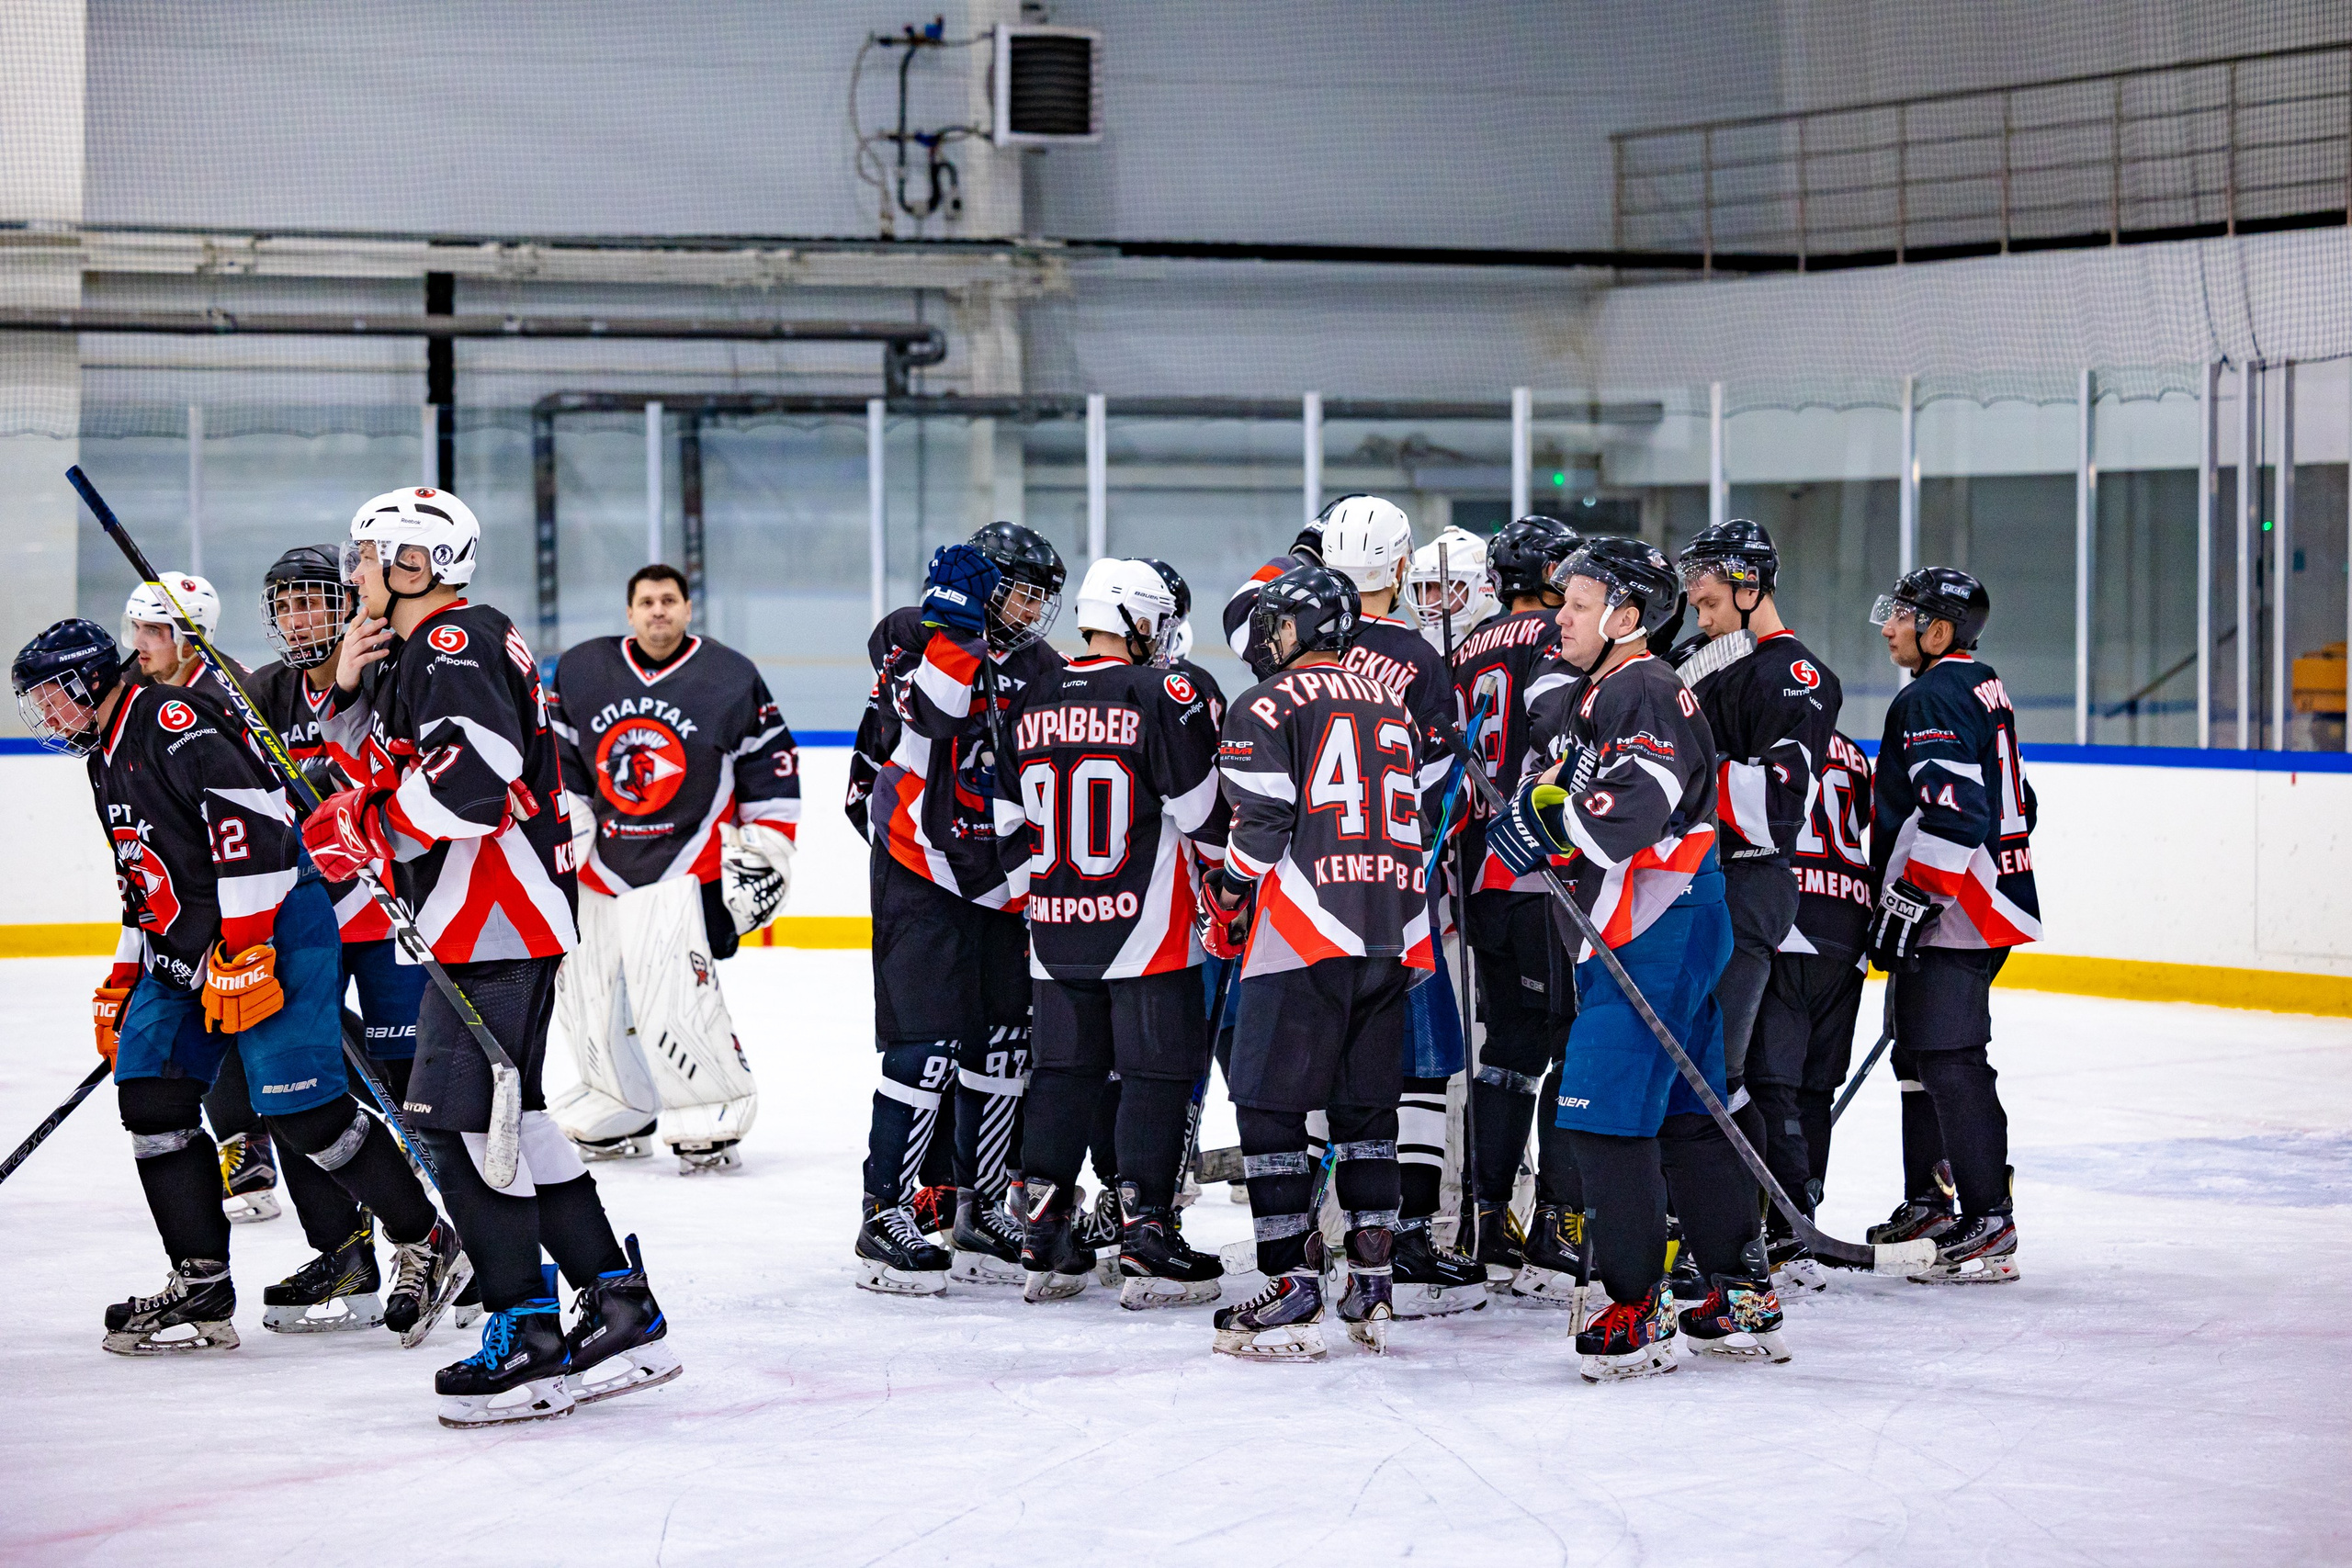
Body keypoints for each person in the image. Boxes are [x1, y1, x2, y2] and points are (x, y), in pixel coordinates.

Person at [308, 486, 676, 1427]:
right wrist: (341, 695)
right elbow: (379, 763)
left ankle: (528, 1336)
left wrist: (374, 825)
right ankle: (619, 1303)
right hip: (492, 921)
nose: (355, 573)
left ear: (414, 565)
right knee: (522, 1122)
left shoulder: (451, 642)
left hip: (494, 923)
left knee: (460, 1129)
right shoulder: (423, 649)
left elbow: (475, 783)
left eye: (367, 556)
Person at [12, 617, 459, 1358]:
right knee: (150, 1094)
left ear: (95, 678)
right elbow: (142, 874)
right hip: (189, 950)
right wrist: (127, 969)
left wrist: (248, 947)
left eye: (57, 696)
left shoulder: (171, 718)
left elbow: (254, 826)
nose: (51, 716)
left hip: (275, 921)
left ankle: (426, 1237)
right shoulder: (104, 754)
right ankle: (202, 1281)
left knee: (302, 1108)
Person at [1483, 537, 1784, 1382]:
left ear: (1626, 616)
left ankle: (1635, 1300)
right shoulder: (1608, 692)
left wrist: (1547, 823)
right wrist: (1538, 812)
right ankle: (1738, 1291)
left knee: (1599, 1110)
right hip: (1660, 921)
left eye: (1578, 604)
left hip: (1659, 922)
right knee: (1689, 1111)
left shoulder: (1645, 686)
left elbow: (1631, 809)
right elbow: (1577, 796)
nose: (1561, 617)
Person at [1206, 565, 1432, 1360]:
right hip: (1394, 926)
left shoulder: (1263, 703)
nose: (1266, 641)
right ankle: (1371, 1275)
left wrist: (1227, 889)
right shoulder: (1390, 701)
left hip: (1307, 926)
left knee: (1267, 1106)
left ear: (1299, 628)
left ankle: (1292, 1283)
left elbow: (1262, 825)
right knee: (1365, 1107)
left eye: (1275, 625)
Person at [1007, 558, 1229, 1307]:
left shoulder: (1034, 690)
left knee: (1065, 1074)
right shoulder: (1158, 691)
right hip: (1146, 925)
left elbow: (1010, 819)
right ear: (1138, 621)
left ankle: (1042, 1232)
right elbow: (1204, 817)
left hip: (1055, 924)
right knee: (1155, 1075)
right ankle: (1145, 1236)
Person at [243, 544, 453, 1333]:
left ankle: (444, 1245)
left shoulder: (397, 671)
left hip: (391, 912)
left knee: (418, 1092)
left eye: (314, 600)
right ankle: (343, 1247)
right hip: (305, 922)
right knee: (297, 1085)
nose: (300, 617)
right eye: (286, 604)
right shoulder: (259, 693)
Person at [854, 522, 1068, 1292]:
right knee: (927, 1049)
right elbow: (935, 713)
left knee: (1006, 1044)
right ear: (982, 584)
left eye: (1045, 596)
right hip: (920, 868)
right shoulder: (913, 634)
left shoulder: (1045, 667)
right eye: (1023, 591)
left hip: (1003, 878)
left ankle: (978, 1210)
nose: (1035, 608)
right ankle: (885, 1211)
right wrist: (955, 621)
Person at [547, 564, 800, 1174]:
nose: (658, 611)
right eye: (646, 602)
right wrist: (568, 820)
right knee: (588, 998)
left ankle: (711, 1105)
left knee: (676, 998)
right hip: (599, 867)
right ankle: (618, 1100)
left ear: (688, 609)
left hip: (686, 865)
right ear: (629, 612)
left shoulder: (730, 676)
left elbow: (772, 761)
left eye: (669, 600)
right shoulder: (582, 670)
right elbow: (557, 755)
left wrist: (767, 844)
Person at [1318, 497, 1489, 1316]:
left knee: (1325, 1053)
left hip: (1311, 889)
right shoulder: (1422, 659)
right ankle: (1408, 1229)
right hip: (1399, 885)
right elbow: (1437, 784)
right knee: (1421, 1060)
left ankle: (1320, 1225)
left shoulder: (1306, 640)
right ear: (1397, 568)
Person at [1863, 567, 2041, 1285]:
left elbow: (1955, 810)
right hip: (1979, 900)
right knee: (1917, 1055)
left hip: (1955, 909)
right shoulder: (1980, 683)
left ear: (1939, 631)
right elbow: (2019, 795)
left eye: (1902, 616)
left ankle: (1988, 1217)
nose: (1888, 627)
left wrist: (1913, 897)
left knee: (1949, 1058)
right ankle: (1931, 1202)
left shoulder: (1932, 693)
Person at [1670, 518, 1841, 1249]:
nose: (1700, 618)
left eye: (1710, 603)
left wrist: (1670, 782)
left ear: (1749, 589)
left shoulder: (1794, 674)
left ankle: (1740, 1238)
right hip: (1689, 888)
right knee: (1696, 1061)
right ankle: (1717, 1220)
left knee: (1719, 1068)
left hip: (1746, 887)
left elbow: (1774, 807)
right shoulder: (1706, 659)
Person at [1449, 515, 1586, 1301]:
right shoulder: (1553, 635)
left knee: (1505, 1050)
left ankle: (1488, 1213)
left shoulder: (1467, 643)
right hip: (1541, 876)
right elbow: (1559, 734)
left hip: (1479, 877)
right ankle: (1558, 1223)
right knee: (1569, 1043)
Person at [120, 571, 284, 1225]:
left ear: (192, 639)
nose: (140, 643)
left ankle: (383, 1103)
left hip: (259, 884)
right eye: (135, 628)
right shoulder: (146, 693)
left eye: (155, 630)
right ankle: (244, 1143)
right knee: (222, 1017)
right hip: (195, 891)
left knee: (272, 1020)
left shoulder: (226, 692)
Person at [1750, 728, 1872, 1292]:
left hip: (1791, 917)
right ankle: (1805, 1219)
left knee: (1773, 1084)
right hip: (1850, 924)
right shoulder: (1851, 749)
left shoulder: (1774, 739)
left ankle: (1788, 1229)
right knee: (1814, 1089)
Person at [1405, 525, 1499, 653]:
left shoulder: (1503, 648)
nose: (1431, 600)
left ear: (1482, 589)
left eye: (1446, 587)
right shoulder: (1408, 651)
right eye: (1425, 587)